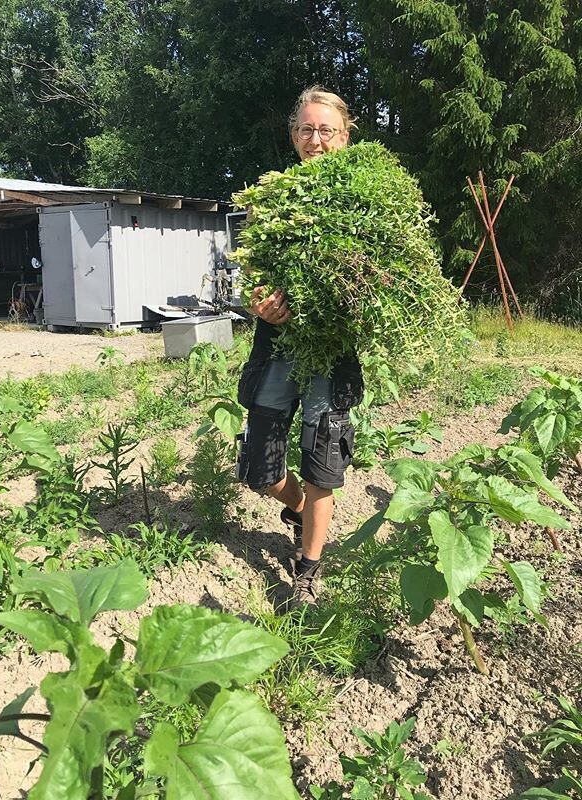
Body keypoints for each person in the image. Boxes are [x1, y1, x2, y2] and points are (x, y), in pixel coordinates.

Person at [236, 86, 364, 607]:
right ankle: (295, 509)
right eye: (307, 129)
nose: (316, 139)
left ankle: (307, 572)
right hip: (277, 348)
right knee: (259, 470)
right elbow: (249, 280)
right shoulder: (269, 202)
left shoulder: (365, 198)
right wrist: (259, 304)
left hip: (330, 355)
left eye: (326, 130)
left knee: (321, 465)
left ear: (345, 136)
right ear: (294, 136)